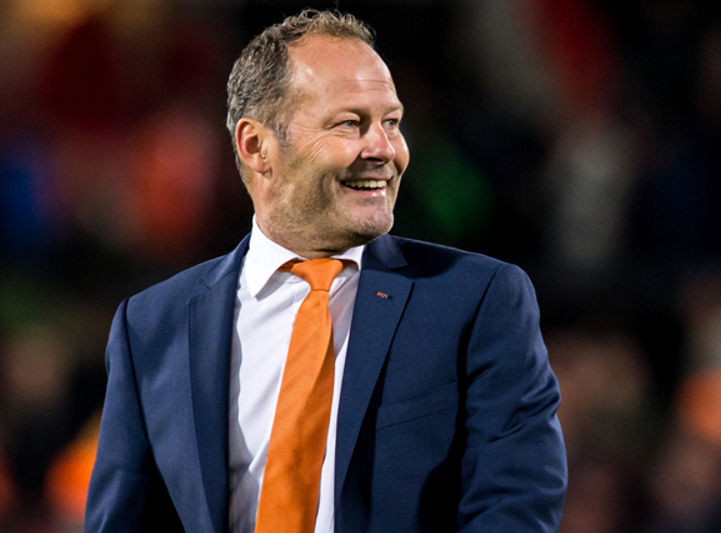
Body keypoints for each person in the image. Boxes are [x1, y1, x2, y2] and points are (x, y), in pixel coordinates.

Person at [85, 9, 567, 533]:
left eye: (391, 122)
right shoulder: (151, 326)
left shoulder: (478, 302)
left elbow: (514, 510)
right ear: (257, 147)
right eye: (350, 124)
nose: (385, 150)